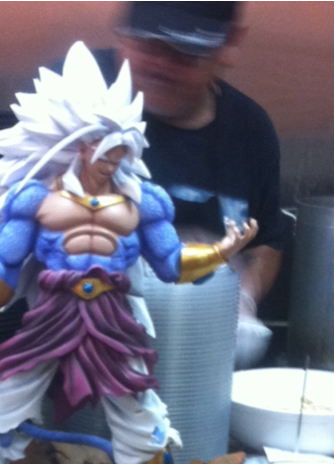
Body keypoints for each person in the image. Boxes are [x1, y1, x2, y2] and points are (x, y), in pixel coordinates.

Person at [0, 42, 257, 464]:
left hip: (112, 319)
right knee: (3, 399)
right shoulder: (37, 199)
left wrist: (219, 252)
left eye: (121, 152)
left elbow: (171, 263)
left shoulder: (143, 203)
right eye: (107, 151)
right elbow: (3, 260)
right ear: (82, 144)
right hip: (52, 315)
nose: (113, 162)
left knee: (138, 409)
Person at [71, 0, 285, 367]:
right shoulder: (76, 95)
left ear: (228, 43)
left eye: (185, 51)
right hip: (88, 356)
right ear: (123, 32)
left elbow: (266, 242)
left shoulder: (250, 130)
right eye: (146, 42)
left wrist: (243, 299)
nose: (159, 64)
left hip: (199, 358)